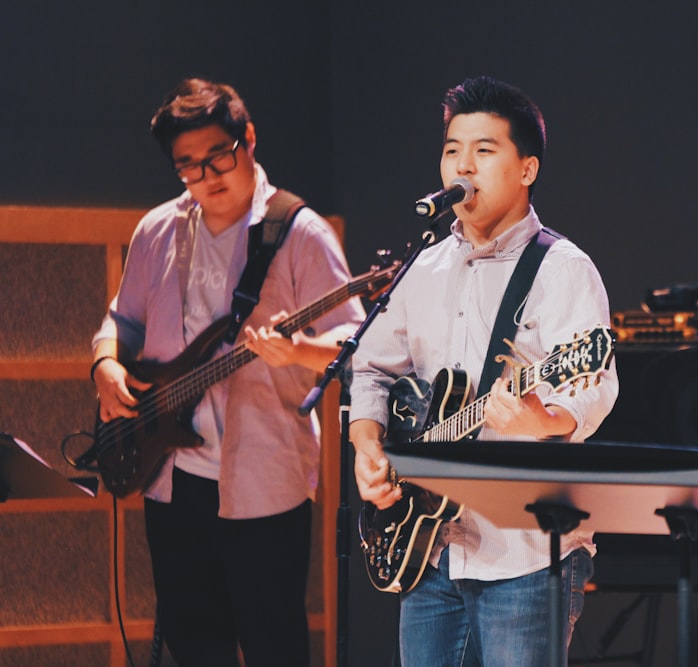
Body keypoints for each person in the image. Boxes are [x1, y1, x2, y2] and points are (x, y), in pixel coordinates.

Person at [90, 78, 366, 666]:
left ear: (249, 138)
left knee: (274, 645)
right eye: (187, 166)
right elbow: (123, 319)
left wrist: (297, 352)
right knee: (195, 645)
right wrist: (105, 363)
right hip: (171, 474)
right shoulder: (157, 230)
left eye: (220, 155)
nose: (207, 175)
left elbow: (353, 340)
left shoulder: (299, 232)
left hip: (264, 479)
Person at [349, 75, 619, 667]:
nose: (461, 166)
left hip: (526, 553)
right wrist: (367, 445)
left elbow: (592, 386)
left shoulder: (563, 269)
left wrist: (542, 421)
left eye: (483, 150)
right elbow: (369, 370)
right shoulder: (422, 267)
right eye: (452, 150)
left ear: (527, 169)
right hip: (429, 548)